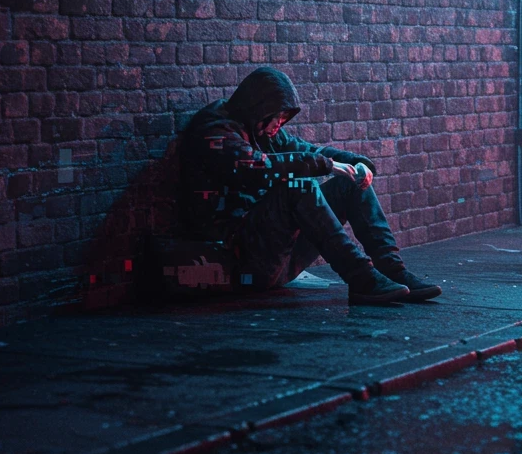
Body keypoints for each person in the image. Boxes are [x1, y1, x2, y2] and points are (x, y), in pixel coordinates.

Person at [178, 67, 442, 306]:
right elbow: (258, 167)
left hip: (278, 256)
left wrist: (356, 163)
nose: (278, 126)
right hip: (237, 262)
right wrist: (326, 165)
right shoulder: (214, 130)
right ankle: (362, 279)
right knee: (298, 187)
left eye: (283, 119)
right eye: (276, 118)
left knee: (347, 184)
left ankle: (392, 271)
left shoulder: (261, 129)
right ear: (258, 108)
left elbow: (308, 150)